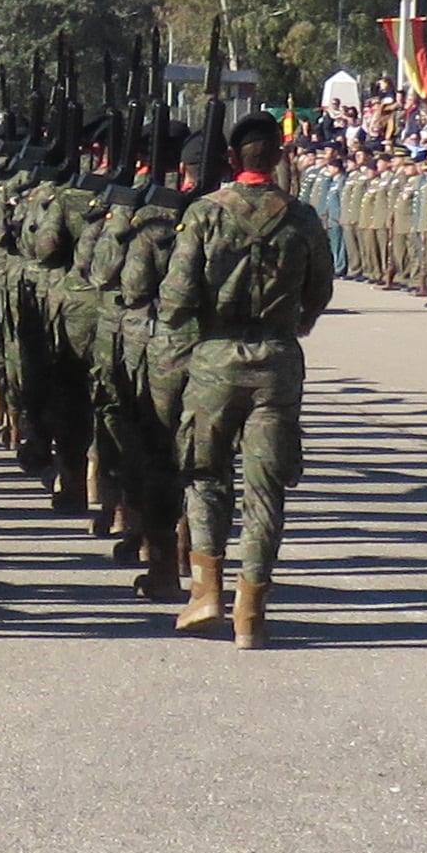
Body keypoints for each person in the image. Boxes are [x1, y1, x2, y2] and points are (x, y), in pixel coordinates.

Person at [162, 112, 338, 649]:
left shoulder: (204, 214)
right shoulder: (302, 217)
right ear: (280, 158)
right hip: (277, 361)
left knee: (206, 476)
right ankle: (251, 612)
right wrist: (296, 322)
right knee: (266, 489)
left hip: (215, 358)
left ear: (234, 160)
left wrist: (185, 329)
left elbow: (176, 297)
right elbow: (321, 289)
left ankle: (207, 590)